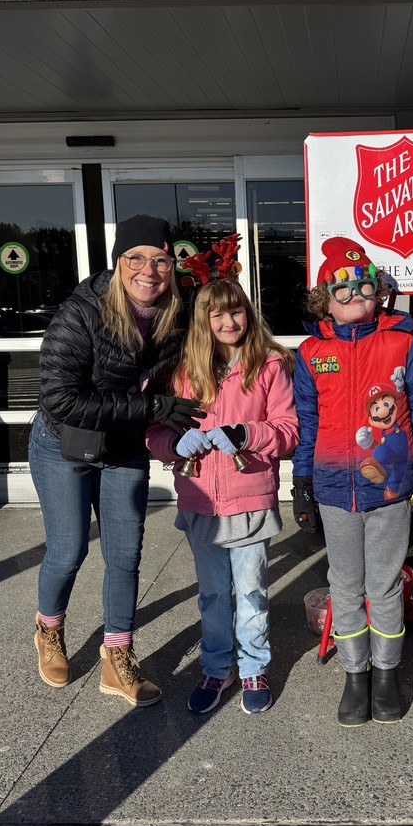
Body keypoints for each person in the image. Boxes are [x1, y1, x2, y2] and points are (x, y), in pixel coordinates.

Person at [30, 214, 204, 707]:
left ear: (172, 266)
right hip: (65, 444)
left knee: (125, 555)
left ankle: (117, 656)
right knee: (69, 550)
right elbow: (62, 399)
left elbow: (202, 359)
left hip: (124, 446)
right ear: (119, 262)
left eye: (161, 260)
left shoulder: (177, 313)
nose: (149, 270)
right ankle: (48, 629)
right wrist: (150, 408)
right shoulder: (80, 313)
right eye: (137, 259)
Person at [292, 236, 413, 727]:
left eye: (364, 286)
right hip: (335, 488)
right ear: (324, 298)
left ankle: (385, 672)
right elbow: (307, 421)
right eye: (342, 289)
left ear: (379, 292)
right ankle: (354, 674)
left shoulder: (404, 340)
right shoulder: (313, 351)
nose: (354, 294)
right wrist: (302, 484)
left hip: (391, 486)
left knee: (383, 585)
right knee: (345, 585)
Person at [147, 238, 299, 715]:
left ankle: (254, 665)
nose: (229, 322)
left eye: (236, 312)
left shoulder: (268, 365)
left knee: (251, 592)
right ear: (203, 320)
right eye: (217, 315)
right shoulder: (180, 371)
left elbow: (289, 431)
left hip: (249, 499)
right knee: (213, 594)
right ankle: (217, 668)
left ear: (247, 315)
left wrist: (248, 433)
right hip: (200, 503)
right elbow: (152, 433)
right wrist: (175, 444)